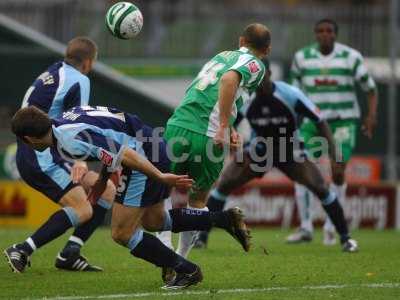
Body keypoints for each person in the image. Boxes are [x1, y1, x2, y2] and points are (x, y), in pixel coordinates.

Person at [10, 105, 251, 289]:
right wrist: (104, 179)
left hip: (142, 157)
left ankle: (186, 269)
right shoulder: (65, 119)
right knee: (154, 221)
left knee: (121, 233)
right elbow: (111, 144)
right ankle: (224, 219)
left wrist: (160, 176)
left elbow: (123, 153)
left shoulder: (69, 138)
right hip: (150, 145)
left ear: (28, 139)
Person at [205, 63, 358, 253]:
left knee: (320, 187)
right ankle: (201, 238)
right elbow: (228, 124)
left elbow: (320, 120)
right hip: (259, 151)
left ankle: (346, 238)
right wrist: (235, 152)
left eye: (261, 76)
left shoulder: (290, 94)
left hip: (290, 151)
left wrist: (334, 153)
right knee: (224, 183)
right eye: (254, 78)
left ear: (269, 74)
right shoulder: (246, 99)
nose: (257, 82)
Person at [157, 23, 270, 264]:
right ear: (267, 50)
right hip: (206, 135)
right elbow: (229, 81)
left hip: (178, 124)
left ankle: (165, 252)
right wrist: (222, 127)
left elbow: (218, 90)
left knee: (160, 189)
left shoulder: (222, 55)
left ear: (241, 41)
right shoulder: (257, 65)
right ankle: (178, 260)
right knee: (197, 201)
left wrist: (228, 128)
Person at [3, 37, 116, 273]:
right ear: (88, 62)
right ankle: (22, 249)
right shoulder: (79, 79)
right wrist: (80, 160)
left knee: (106, 190)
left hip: (38, 152)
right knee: (83, 209)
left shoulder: (53, 72)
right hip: (42, 155)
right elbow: (79, 121)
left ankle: (70, 253)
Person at [287, 18, 378, 245]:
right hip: (312, 122)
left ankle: (331, 225)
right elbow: (293, 94)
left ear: (335, 34)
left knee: (338, 170)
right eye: (320, 31)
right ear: (315, 34)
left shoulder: (350, 57)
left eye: (329, 31)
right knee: (301, 168)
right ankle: (306, 227)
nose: (324, 34)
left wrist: (371, 116)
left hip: (343, 122)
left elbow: (371, 89)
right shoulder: (302, 58)